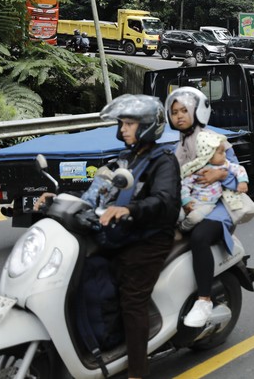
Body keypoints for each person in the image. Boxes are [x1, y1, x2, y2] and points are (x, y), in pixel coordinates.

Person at [37, 94, 181, 379]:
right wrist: (59, 198)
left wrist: (128, 209)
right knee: (82, 272)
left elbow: (165, 200)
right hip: (120, 234)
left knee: (132, 299)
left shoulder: (163, 162)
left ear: (147, 127)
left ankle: (137, 371)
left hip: (149, 239)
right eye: (122, 123)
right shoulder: (124, 159)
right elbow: (96, 193)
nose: (123, 129)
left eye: (130, 124)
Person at [166, 87, 248, 327]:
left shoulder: (217, 141)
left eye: (184, 110)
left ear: (197, 111)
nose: (179, 116)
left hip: (220, 208)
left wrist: (219, 175)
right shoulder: (177, 147)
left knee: (199, 237)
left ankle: (204, 301)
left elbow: (239, 177)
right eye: (175, 112)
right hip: (192, 206)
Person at [178, 130, 249, 234]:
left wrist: (242, 182)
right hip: (193, 199)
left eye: (224, 152)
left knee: (194, 218)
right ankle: (176, 226)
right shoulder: (198, 169)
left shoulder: (225, 165)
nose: (224, 155)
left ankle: (183, 229)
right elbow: (185, 184)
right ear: (209, 155)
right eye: (221, 153)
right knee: (178, 214)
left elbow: (239, 169)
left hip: (208, 204)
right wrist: (186, 200)